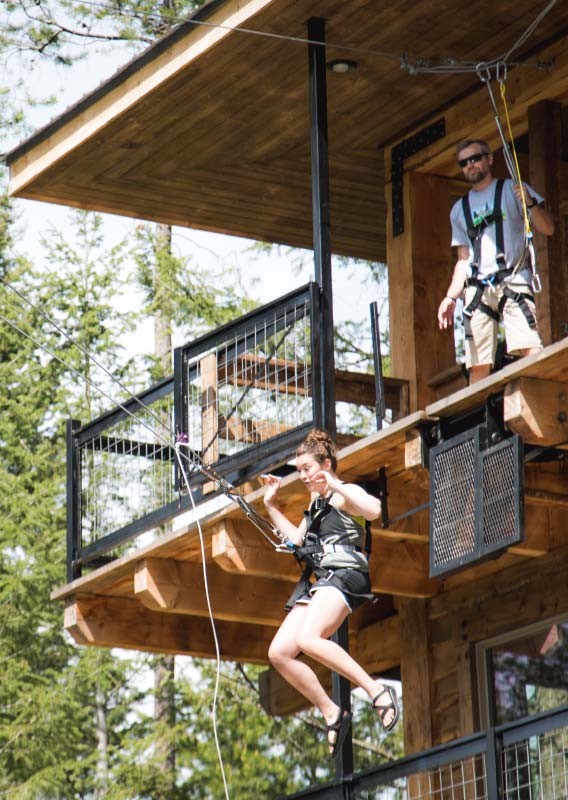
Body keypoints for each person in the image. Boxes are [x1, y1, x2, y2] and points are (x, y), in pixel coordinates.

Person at [262, 429, 399, 757]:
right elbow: (296, 539)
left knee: (309, 639)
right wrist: (271, 505)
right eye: (299, 471)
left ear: (325, 464)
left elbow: (373, 510)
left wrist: (335, 484)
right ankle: (331, 712)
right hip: (322, 579)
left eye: (307, 469)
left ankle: (376, 690)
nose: (303, 477)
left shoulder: (342, 493)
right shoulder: (315, 504)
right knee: (279, 652)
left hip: (345, 575)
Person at [438, 138, 555, 383]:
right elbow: (463, 260)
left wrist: (529, 202)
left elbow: (548, 228)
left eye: (475, 158)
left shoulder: (513, 190)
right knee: (477, 363)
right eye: (464, 162)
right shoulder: (459, 210)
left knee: (530, 347)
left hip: (513, 278)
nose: (471, 165)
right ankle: (482, 414)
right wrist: (450, 296)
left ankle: (539, 394)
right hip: (478, 287)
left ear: (489, 159)